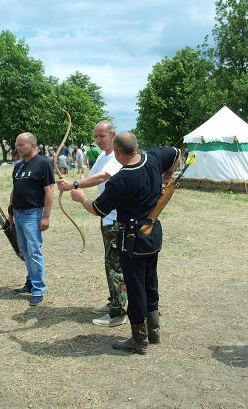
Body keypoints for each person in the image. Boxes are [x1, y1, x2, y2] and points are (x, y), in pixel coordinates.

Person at [70, 132, 181, 354]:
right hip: (152, 234)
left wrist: (81, 198)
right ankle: (153, 332)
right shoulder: (153, 159)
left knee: (136, 288)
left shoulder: (121, 179)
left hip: (132, 239)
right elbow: (176, 152)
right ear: (136, 147)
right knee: (150, 282)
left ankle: (139, 341)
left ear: (118, 153)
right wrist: (167, 175)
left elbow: (97, 209)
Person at [57, 120, 127, 327]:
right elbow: (91, 175)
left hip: (116, 218)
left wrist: (74, 184)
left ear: (113, 135)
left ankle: (119, 312)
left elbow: (103, 176)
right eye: (96, 136)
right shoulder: (104, 156)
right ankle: (114, 301)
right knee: (110, 263)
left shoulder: (117, 157)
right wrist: (73, 183)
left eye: (101, 136)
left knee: (116, 266)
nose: (97, 140)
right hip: (107, 217)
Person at [9, 132, 55, 306]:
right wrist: (10, 213)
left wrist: (46, 216)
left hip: (32, 214)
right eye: (16, 145)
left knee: (34, 250)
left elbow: (49, 191)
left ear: (32, 145)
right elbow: (14, 190)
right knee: (24, 250)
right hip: (18, 213)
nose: (18, 148)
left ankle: (38, 288)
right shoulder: (18, 166)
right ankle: (30, 281)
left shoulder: (43, 163)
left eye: (21, 145)